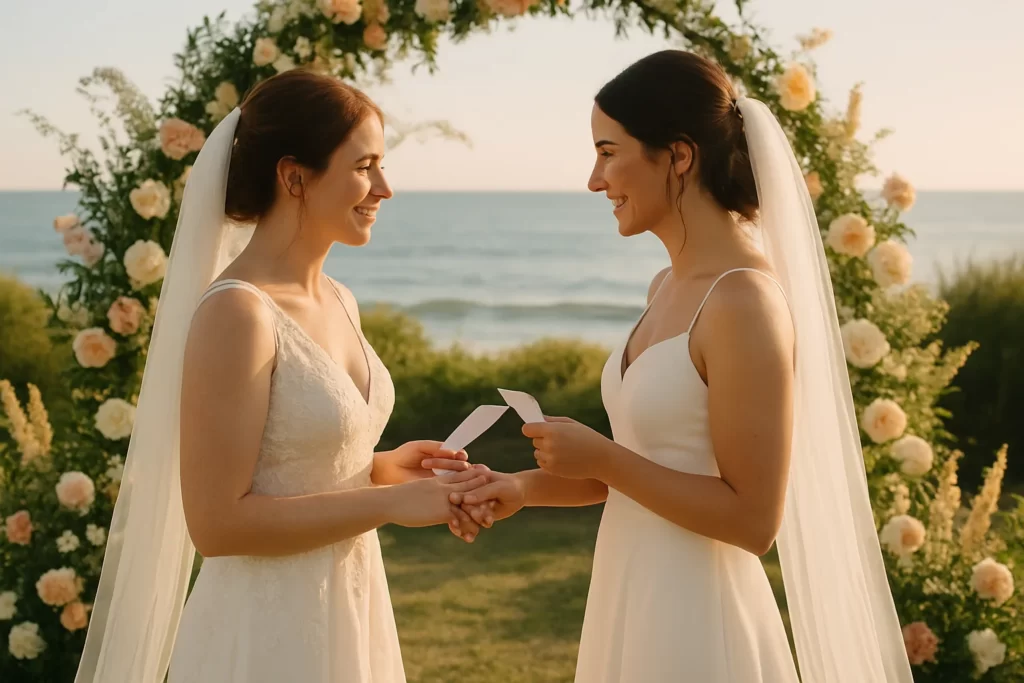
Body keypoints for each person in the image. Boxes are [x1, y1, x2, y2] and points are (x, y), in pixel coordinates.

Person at [451, 50, 915, 683]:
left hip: (698, 615)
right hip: (631, 591)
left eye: (608, 152)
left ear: (678, 156)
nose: (594, 180)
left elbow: (753, 520)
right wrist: (524, 488)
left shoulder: (743, 300)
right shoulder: (665, 285)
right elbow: (649, 468)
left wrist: (602, 457)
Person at [75, 69, 488, 683]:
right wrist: (390, 503)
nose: (384, 188)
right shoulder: (237, 312)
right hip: (265, 630)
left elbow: (292, 468)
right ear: (294, 176)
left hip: (350, 602)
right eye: (364, 166)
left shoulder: (341, 298)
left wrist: (381, 468)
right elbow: (217, 524)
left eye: (381, 166)